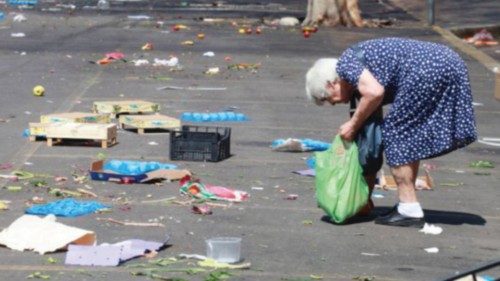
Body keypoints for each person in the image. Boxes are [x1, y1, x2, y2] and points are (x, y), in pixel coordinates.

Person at [305, 37, 477, 227]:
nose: (333, 103)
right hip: (448, 62)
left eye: (328, 99)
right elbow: (371, 140)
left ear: (331, 84)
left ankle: (409, 209)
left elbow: (375, 93)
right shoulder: (358, 75)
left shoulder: (346, 64)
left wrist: (352, 125)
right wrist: (362, 197)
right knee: (407, 135)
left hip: (429, 68)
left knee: (397, 133)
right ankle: (407, 206)